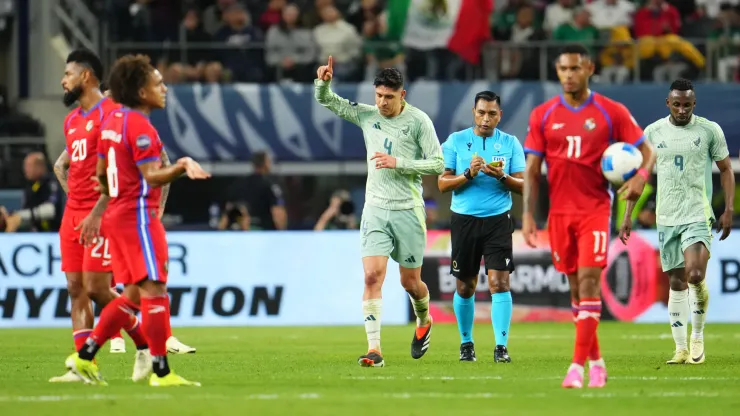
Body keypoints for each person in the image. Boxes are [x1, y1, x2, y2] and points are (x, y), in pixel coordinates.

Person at [63, 54, 210, 386]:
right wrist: (183, 164)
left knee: (130, 296)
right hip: (137, 216)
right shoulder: (140, 125)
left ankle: (84, 357)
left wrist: (112, 197)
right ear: (141, 92)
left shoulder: (112, 124)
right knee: (155, 288)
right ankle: (161, 372)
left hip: (117, 215)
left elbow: (101, 174)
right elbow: (152, 176)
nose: (164, 89)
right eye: (158, 83)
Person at [522, 44, 655, 388]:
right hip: (559, 214)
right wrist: (526, 215)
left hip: (595, 209)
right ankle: (597, 362)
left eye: (575, 69)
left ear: (589, 68)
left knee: (589, 283)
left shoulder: (611, 112)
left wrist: (641, 176)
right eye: (563, 69)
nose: (569, 75)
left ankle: (575, 367)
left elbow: (647, 150)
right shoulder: (543, 114)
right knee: (576, 294)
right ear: (557, 72)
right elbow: (533, 169)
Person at [314, 57, 444, 367]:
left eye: (389, 96)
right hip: (375, 210)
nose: (382, 103)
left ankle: (424, 320)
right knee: (372, 276)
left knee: (410, 283)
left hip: (409, 211)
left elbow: (438, 163)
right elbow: (328, 101)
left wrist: (400, 163)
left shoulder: (418, 121)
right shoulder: (367, 116)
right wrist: (323, 82)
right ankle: (375, 349)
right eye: (379, 96)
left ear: (403, 95)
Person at [48, 50, 152, 383]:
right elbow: (71, 169)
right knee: (75, 288)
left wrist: (98, 209)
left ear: (86, 77)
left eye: (68, 74)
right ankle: (85, 366)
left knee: (97, 288)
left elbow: (119, 167)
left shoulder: (112, 115)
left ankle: (145, 344)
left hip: (103, 212)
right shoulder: (71, 120)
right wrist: (74, 202)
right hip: (73, 214)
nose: (63, 80)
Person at [619, 79, 734, 366]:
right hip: (666, 217)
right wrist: (627, 214)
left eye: (687, 105)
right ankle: (681, 349)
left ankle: (697, 336)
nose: (682, 110)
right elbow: (640, 176)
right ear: (668, 104)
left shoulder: (709, 130)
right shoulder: (653, 133)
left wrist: (728, 209)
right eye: (677, 104)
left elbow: (726, 169)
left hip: (697, 213)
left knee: (694, 275)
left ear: (694, 104)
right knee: (675, 281)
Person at [438, 91, 525, 363]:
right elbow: (442, 183)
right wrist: (468, 174)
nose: (486, 119)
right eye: (481, 113)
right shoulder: (455, 141)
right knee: (466, 286)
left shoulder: (510, 143)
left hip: (499, 219)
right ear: (473, 113)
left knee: (500, 282)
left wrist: (503, 177)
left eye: (492, 114)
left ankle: (501, 347)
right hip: (464, 220)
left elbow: (525, 186)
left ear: (500, 115)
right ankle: (466, 343)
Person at [0, 152, 64, 232]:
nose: (25, 169)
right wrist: (10, 216)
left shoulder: (51, 183)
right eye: (25, 166)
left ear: (40, 167)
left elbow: (51, 210)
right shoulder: (29, 187)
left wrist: (21, 215)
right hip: (34, 233)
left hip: (53, 232)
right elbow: (26, 212)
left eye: (29, 166)